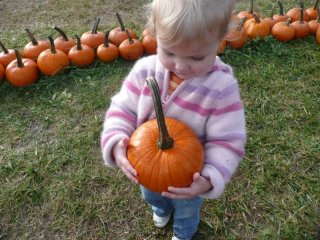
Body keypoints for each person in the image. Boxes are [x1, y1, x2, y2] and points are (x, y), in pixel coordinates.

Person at [100, 0, 246, 239]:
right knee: (151, 194)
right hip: (147, 163)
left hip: (189, 175)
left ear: (220, 43)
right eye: (168, 52)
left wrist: (209, 178)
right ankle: (160, 209)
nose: (180, 65)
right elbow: (123, 107)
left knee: (187, 209)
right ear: (156, 35)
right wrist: (116, 140)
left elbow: (227, 141)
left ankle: (184, 231)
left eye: (196, 58)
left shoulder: (221, 88)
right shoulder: (145, 70)